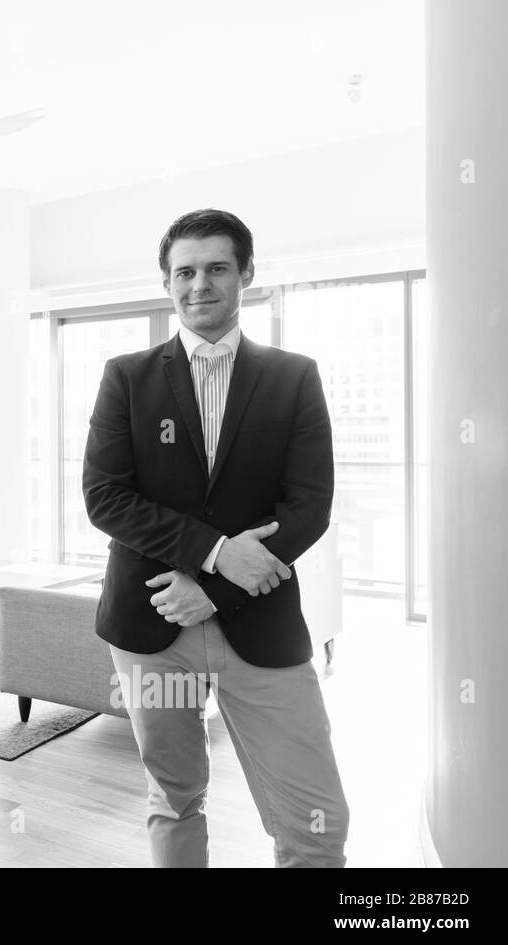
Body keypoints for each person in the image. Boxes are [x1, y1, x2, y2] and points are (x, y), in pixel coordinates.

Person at [82, 208, 348, 867]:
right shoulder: (126, 376)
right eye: (186, 271)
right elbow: (105, 496)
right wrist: (216, 551)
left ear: (246, 275)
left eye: (217, 268)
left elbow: (309, 504)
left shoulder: (293, 376)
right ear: (168, 283)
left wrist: (217, 588)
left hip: (259, 626)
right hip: (151, 627)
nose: (200, 283)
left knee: (315, 823)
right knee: (174, 798)